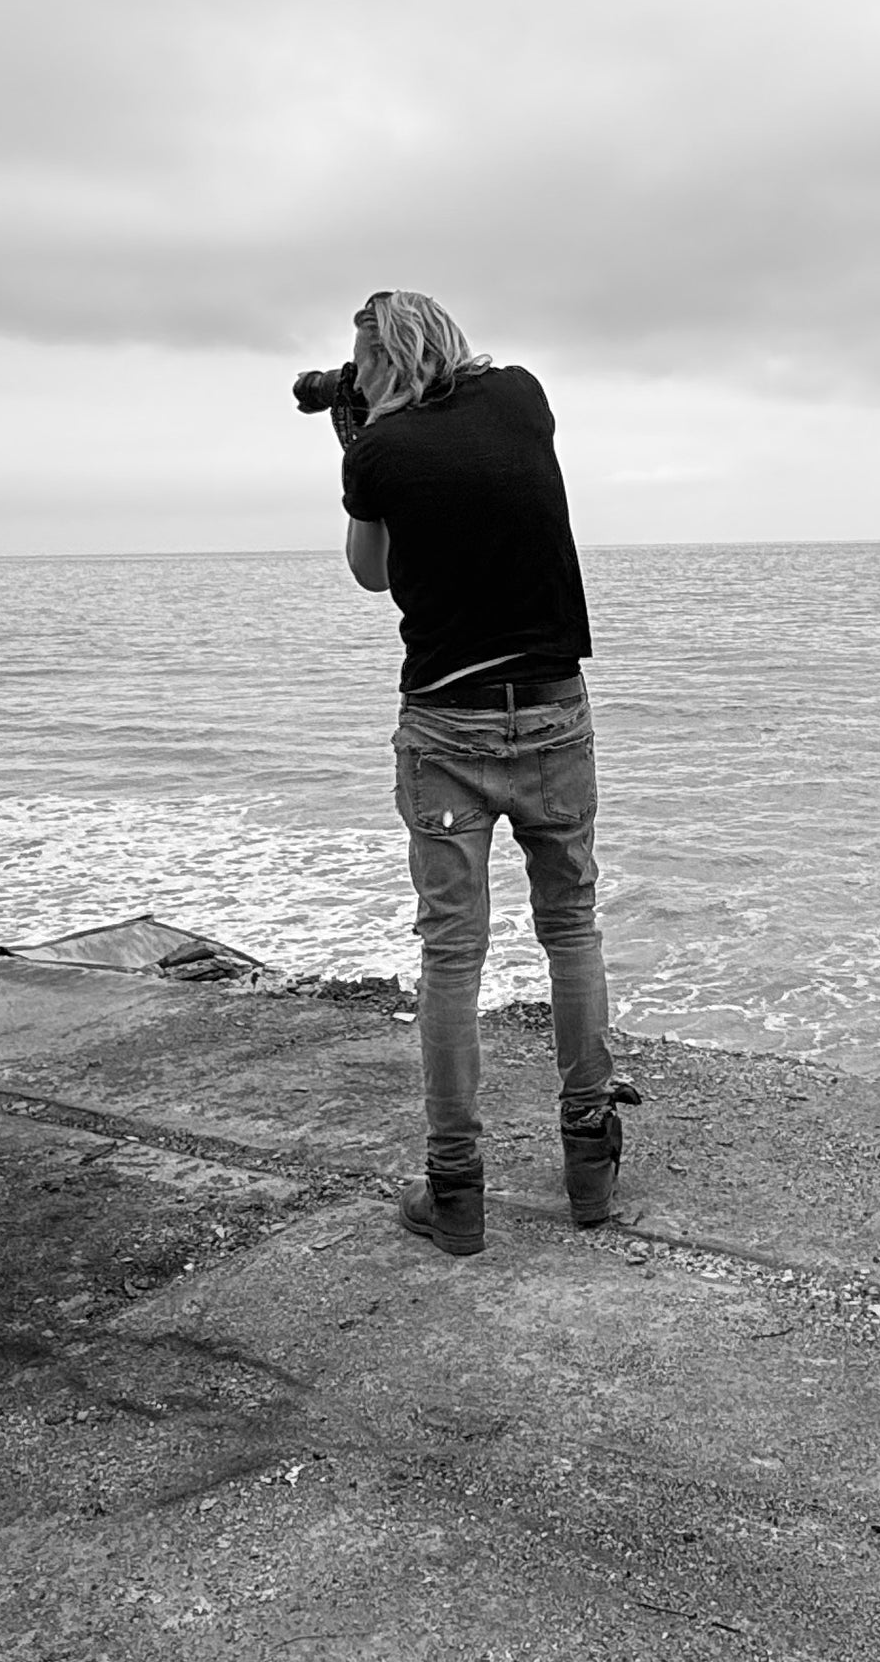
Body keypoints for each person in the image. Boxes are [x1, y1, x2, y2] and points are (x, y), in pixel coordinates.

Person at [330, 290, 618, 1254]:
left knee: (452, 956)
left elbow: (371, 574)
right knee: (571, 926)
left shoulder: (378, 451)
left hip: (447, 723)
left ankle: (456, 1193)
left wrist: (354, 441)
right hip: (550, 707)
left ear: (378, 361)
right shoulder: (525, 395)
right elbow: (481, 427)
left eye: (359, 360)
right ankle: (591, 1167)